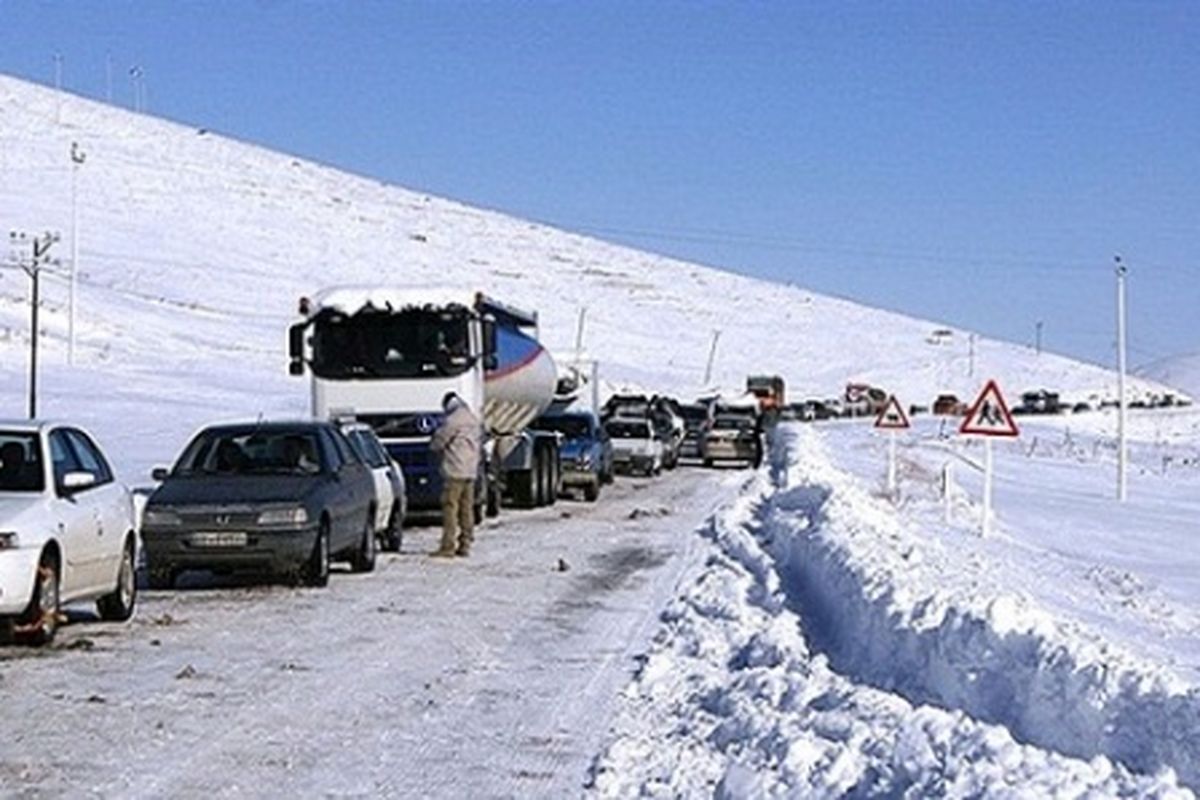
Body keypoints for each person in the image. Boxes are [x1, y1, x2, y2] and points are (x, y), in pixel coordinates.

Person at [429, 391, 482, 557]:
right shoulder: (473, 419)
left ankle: (448, 546)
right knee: (467, 509)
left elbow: (439, 441)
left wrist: (433, 443)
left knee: (450, 507)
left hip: (455, 470)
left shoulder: (453, 420)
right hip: (470, 470)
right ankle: (465, 543)